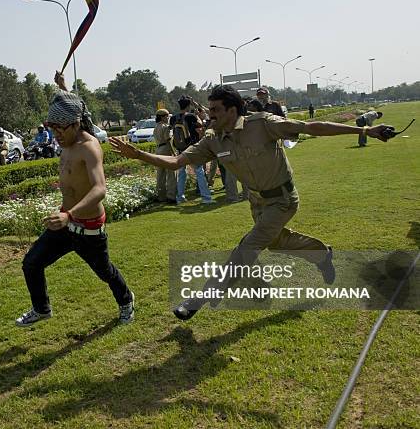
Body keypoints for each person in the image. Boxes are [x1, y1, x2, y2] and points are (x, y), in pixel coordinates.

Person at [110, 85, 391, 321]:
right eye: (209, 109)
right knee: (276, 242)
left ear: (232, 110)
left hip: (283, 199)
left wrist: (366, 131)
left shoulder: (263, 124)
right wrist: (138, 155)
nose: (210, 115)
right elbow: (175, 162)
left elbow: (310, 127)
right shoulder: (212, 141)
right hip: (257, 202)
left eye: (216, 110)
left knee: (247, 247)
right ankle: (321, 253)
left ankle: (202, 297)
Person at [16, 70, 135, 327]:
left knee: (105, 272)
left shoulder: (89, 147)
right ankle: (42, 308)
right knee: (31, 263)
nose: (56, 134)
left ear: (75, 124)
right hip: (65, 223)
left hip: (87, 227)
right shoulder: (68, 138)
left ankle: (126, 300)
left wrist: (69, 214)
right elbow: (78, 107)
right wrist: (63, 87)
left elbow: (100, 188)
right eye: (52, 128)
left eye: (60, 128)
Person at [171, 95, 212, 205]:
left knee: (181, 173)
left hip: (180, 149)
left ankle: (180, 197)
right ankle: (206, 198)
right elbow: (201, 126)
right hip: (192, 148)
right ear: (189, 105)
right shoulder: (191, 117)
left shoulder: (173, 118)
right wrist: (197, 116)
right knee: (199, 172)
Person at [153, 108, 177, 203]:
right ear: (162, 117)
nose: (168, 118)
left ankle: (160, 196)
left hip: (158, 150)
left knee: (160, 174)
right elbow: (168, 141)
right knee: (171, 173)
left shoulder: (156, 127)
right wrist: (173, 152)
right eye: (166, 116)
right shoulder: (166, 127)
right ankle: (171, 196)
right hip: (166, 149)